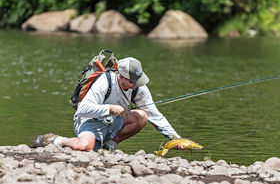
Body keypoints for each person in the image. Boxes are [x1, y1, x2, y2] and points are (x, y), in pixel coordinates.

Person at [34, 57, 182, 151]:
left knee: (142, 116)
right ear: (122, 76)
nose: (136, 85)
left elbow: (155, 115)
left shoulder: (138, 87)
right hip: (89, 120)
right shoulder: (104, 82)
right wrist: (110, 108)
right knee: (85, 146)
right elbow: (82, 109)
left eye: (138, 80)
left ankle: (110, 144)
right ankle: (53, 139)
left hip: (113, 123)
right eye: (132, 81)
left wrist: (175, 138)